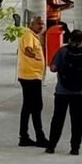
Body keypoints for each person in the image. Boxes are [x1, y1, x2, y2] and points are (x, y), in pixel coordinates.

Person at [45, 29, 82, 155]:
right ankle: (75, 148)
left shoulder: (62, 52)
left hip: (62, 92)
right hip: (81, 93)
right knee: (78, 120)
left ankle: (51, 146)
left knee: (58, 118)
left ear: (69, 39)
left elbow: (53, 68)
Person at [16, 15, 49, 148]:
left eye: (42, 24)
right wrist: (34, 56)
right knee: (35, 107)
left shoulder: (32, 35)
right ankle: (38, 137)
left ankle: (24, 136)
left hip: (32, 76)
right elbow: (27, 49)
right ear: (31, 24)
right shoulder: (28, 35)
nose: (41, 26)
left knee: (29, 107)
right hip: (30, 77)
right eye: (38, 24)